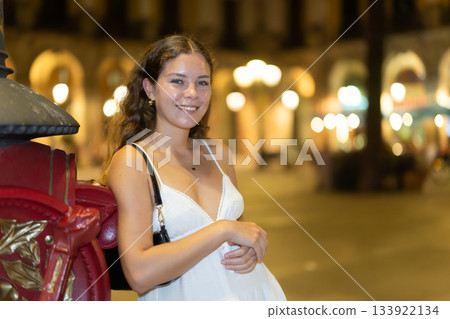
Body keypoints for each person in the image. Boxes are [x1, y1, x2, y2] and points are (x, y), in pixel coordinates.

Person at [105, 34, 286, 301]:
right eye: (177, 81)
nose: (192, 93)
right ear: (150, 88)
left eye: (202, 83)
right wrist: (222, 229)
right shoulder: (133, 162)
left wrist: (252, 247)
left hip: (257, 294)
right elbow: (139, 273)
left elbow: (240, 230)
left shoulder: (219, 154)